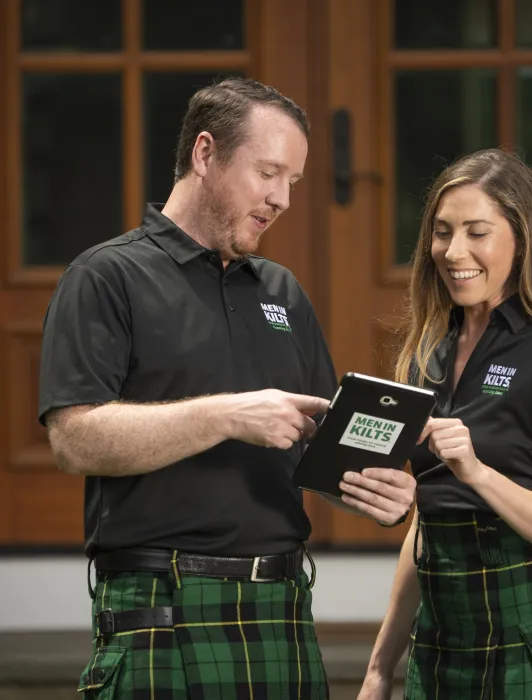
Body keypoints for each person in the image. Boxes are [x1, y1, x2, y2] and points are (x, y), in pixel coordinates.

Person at [38, 77, 415, 700]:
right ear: (205, 153)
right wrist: (228, 416)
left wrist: (376, 489)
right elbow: (75, 439)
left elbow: (321, 457)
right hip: (163, 610)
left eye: (292, 180)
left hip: (285, 611)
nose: (283, 198)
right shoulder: (106, 277)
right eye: (268, 173)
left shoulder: (282, 292)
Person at [356, 149, 532, 699]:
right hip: (441, 644)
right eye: (442, 232)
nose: (454, 252)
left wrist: (477, 472)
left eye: (477, 232)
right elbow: (425, 524)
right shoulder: (424, 353)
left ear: (522, 239)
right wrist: (380, 666)